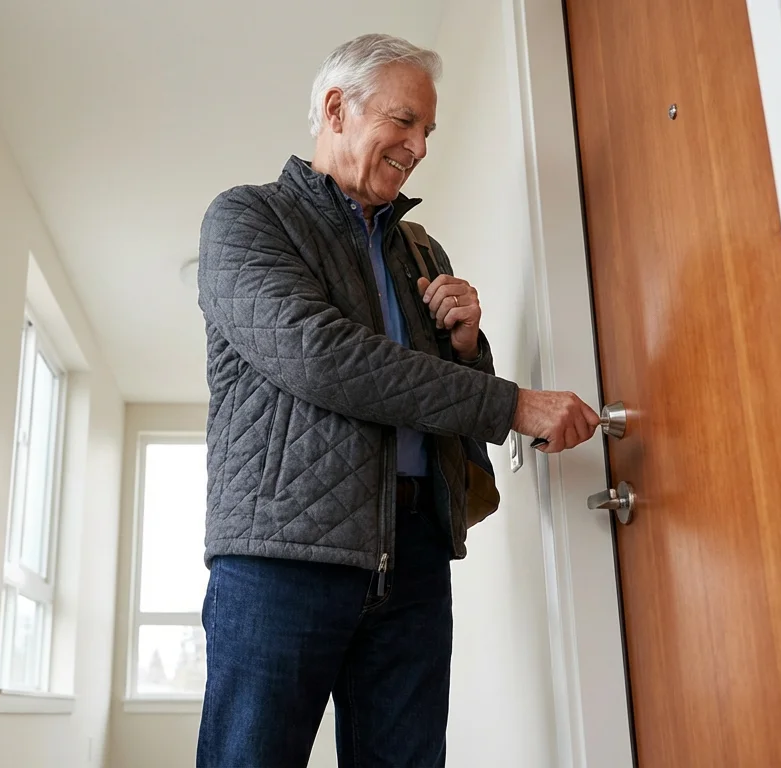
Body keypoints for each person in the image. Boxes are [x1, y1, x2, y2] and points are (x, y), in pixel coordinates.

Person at [195, 33, 600, 768]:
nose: (418, 147)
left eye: (428, 132)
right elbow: (323, 359)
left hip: (411, 557)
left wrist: (470, 348)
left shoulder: (422, 250)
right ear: (335, 109)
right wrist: (511, 403)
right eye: (403, 122)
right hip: (284, 556)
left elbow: (442, 405)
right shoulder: (247, 220)